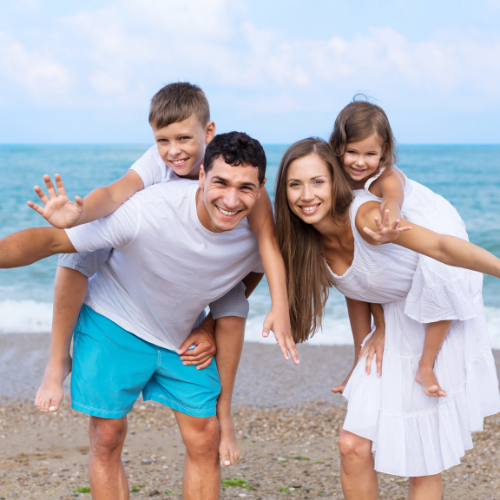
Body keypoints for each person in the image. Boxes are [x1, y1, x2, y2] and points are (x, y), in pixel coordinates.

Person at [0, 131, 285, 500]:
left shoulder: (256, 238)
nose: (231, 200)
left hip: (178, 335)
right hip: (113, 323)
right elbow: (51, 243)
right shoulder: (149, 210)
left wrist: (209, 324)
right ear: (201, 177)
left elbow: (252, 273)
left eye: (245, 188)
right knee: (107, 437)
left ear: (261, 187)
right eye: (220, 183)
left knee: (205, 437)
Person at [274, 137, 500, 500]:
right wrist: (365, 345)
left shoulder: (366, 218)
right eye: (294, 184)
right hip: (389, 324)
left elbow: (440, 247)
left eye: (317, 181)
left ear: (335, 182)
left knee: (422, 460)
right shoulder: (306, 240)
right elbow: (356, 286)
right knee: (352, 447)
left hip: (431, 318)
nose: (306, 195)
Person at [329, 99, 481, 398]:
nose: (360, 162)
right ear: (338, 147)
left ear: (383, 149)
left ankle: (426, 365)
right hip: (387, 230)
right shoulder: (341, 181)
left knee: (440, 273)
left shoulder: (387, 175)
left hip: (427, 223)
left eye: (370, 153)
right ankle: (358, 362)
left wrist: (390, 219)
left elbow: (393, 199)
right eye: (352, 152)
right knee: (357, 277)